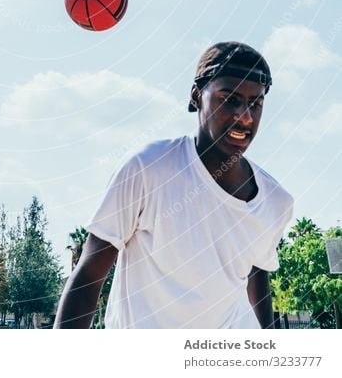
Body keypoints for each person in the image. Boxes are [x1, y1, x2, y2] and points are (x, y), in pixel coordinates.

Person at [54, 41, 294, 329]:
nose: (245, 116)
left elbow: (256, 275)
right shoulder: (148, 168)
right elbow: (89, 277)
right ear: (196, 96)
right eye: (229, 98)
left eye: (255, 103)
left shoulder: (276, 201)